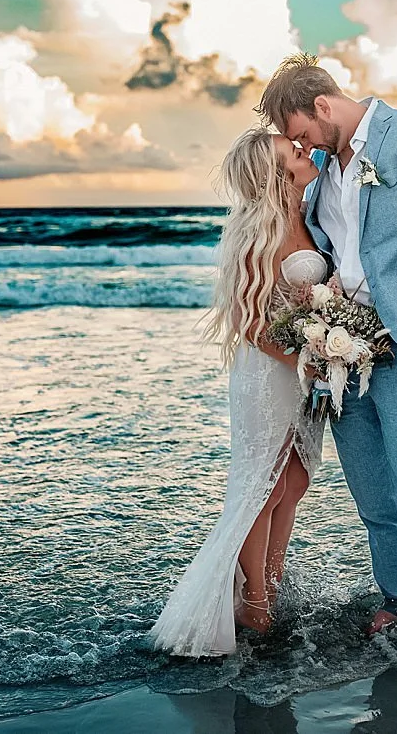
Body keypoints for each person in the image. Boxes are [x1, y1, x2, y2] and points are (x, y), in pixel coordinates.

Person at [256, 53, 397, 667]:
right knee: (371, 489)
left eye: (300, 132)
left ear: (323, 107)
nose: (299, 146)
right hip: (338, 344)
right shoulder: (321, 170)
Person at [149, 127, 326, 657]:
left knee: (294, 480)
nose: (302, 150)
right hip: (269, 372)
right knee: (262, 485)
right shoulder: (260, 232)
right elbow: (248, 322)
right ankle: (254, 601)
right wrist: (307, 361)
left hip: (304, 367)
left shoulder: (310, 215)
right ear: (273, 174)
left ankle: (268, 584)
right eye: (290, 152)